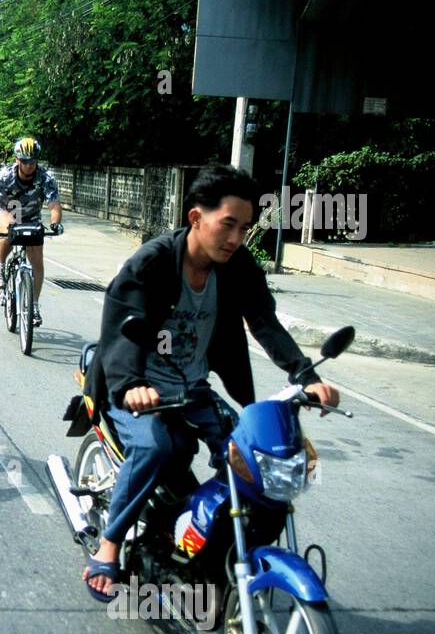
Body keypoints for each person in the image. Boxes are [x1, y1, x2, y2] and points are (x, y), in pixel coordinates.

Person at [79, 164, 341, 600]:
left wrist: (305, 376)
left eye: (244, 228)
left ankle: (210, 546)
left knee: (250, 457)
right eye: (227, 225)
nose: (235, 238)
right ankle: (110, 542)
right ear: (196, 218)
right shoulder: (154, 262)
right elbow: (123, 322)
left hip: (193, 387)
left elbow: (264, 322)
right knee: (157, 446)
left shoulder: (238, 268)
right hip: (139, 388)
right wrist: (129, 386)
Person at [0, 137, 63, 327]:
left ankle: (34, 306)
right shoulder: (5, 176)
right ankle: (0, 266)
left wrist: (56, 223)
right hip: (9, 211)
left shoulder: (46, 178)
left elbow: (54, 205)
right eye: (25, 161)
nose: (29, 166)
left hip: (32, 216)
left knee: (37, 257)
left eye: (32, 161)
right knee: (9, 228)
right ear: (17, 160)